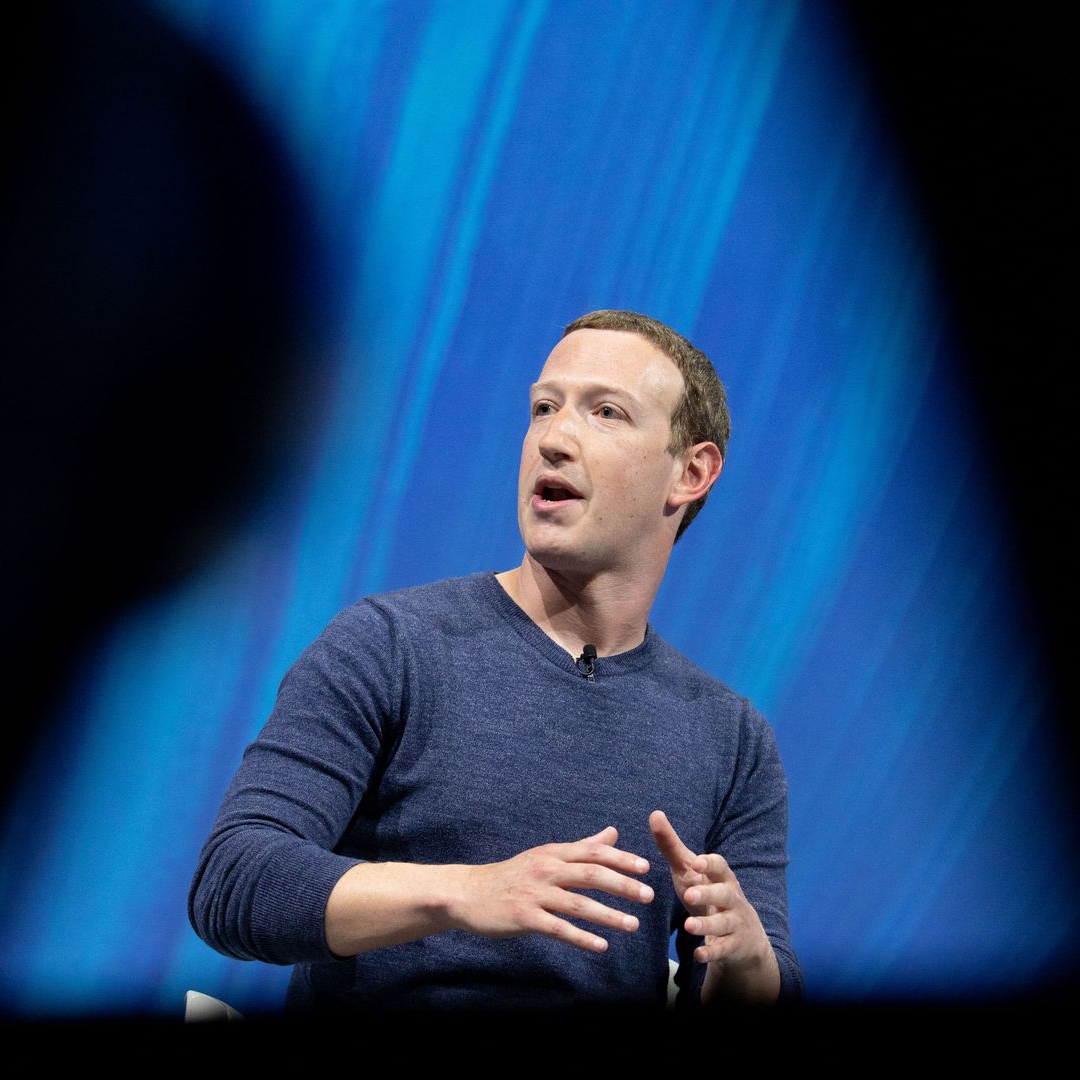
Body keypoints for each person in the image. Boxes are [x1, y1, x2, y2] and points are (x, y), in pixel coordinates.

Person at [188, 310, 799, 1009]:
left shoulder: (732, 740)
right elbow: (235, 879)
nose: (554, 439)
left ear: (691, 472)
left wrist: (749, 964)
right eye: (544, 407)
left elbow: (756, 979)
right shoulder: (390, 645)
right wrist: (467, 891)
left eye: (605, 412)